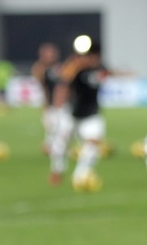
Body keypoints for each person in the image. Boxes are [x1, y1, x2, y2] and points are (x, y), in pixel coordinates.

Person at [48, 41, 108, 188]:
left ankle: (80, 175)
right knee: (61, 144)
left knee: (93, 144)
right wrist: (56, 110)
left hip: (91, 114)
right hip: (71, 113)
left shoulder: (99, 68)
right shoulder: (73, 68)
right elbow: (63, 87)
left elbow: (108, 73)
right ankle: (57, 169)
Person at [31, 43, 62, 155]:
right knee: (52, 127)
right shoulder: (39, 68)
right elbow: (41, 87)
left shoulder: (58, 67)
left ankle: (52, 146)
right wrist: (44, 104)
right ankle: (50, 146)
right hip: (49, 103)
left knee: (60, 127)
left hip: (60, 102)